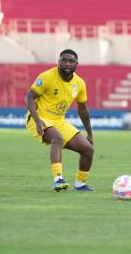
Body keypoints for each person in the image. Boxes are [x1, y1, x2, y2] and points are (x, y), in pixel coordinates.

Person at [25, 49, 94, 192]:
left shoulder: (79, 83)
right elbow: (29, 97)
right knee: (57, 138)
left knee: (88, 149)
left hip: (59, 122)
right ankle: (58, 179)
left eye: (71, 61)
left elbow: (83, 109)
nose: (67, 64)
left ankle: (80, 185)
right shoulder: (47, 76)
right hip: (39, 119)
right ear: (59, 62)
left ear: (77, 64)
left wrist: (89, 133)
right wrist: (37, 120)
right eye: (64, 60)